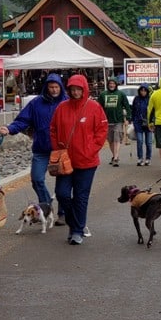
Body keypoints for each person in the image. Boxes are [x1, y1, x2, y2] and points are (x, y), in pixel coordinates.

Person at [0, 73, 67, 221]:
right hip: (41, 148)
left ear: (60, 87)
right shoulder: (36, 103)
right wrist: (10, 128)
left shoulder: (66, 102)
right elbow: (23, 120)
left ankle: (62, 213)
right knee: (36, 179)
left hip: (60, 150)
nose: (54, 90)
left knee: (62, 185)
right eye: (51, 87)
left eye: (56, 87)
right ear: (46, 88)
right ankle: (47, 206)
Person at [50, 74, 108, 246]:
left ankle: (77, 231)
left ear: (84, 89)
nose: (75, 92)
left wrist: (90, 150)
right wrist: (58, 148)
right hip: (65, 160)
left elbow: (102, 131)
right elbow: (53, 129)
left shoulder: (94, 107)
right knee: (62, 193)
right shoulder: (62, 107)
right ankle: (75, 224)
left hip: (87, 161)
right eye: (72, 89)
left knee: (81, 197)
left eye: (78, 89)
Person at [97, 77, 130, 167]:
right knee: (110, 140)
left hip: (118, 121)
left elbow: (127, 106)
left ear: (116, 85)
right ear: (108, 85)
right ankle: (115, 155)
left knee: (117, 139)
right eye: (110, 84)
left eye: (113, 84)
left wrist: (128, 118)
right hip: (106, 121)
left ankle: (115, 158)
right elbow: (98, 108)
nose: (112, 85)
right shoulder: (103, 94)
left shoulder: (121, 94)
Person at [130, 84, 153, 166]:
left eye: (145, 90)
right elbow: (133, 110)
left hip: (148, 123)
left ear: (147, 91)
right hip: (138, 122)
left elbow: (153, 111)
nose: (143, 92)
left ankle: (148, 158)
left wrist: (152, 121)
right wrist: (132, 120)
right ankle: (140, 158)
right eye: (141, 90)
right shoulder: (136, 99)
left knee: (149, 142)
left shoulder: (150, 99)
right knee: (139, 141)